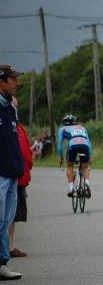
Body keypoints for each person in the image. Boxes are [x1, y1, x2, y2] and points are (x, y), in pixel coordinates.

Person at [0, 64, 24, 280]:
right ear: (1, 81)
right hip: (1, 171)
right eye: (13, 79)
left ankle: (2, 262)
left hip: (12, 172)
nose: (17, 83)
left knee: (6, 220)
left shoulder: (9, 107)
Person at [10, 97, 31, 258]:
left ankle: (9, 247)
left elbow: (27, 155)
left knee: (11, 213)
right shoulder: (15, 128)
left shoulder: (19, 129)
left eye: (16, 107)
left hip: (17, 176)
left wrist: (25, 171)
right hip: (8, 174)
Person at [58, 114, 93, 198]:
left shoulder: (62, 129)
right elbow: (89, 144)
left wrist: (61, 157)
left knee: (70, 165)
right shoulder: (82, 128)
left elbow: (60, 146)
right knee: (85, 167)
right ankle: (86, 185)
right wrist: (90, 157)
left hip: (73, 146)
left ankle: (71, 189)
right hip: (84, 146)